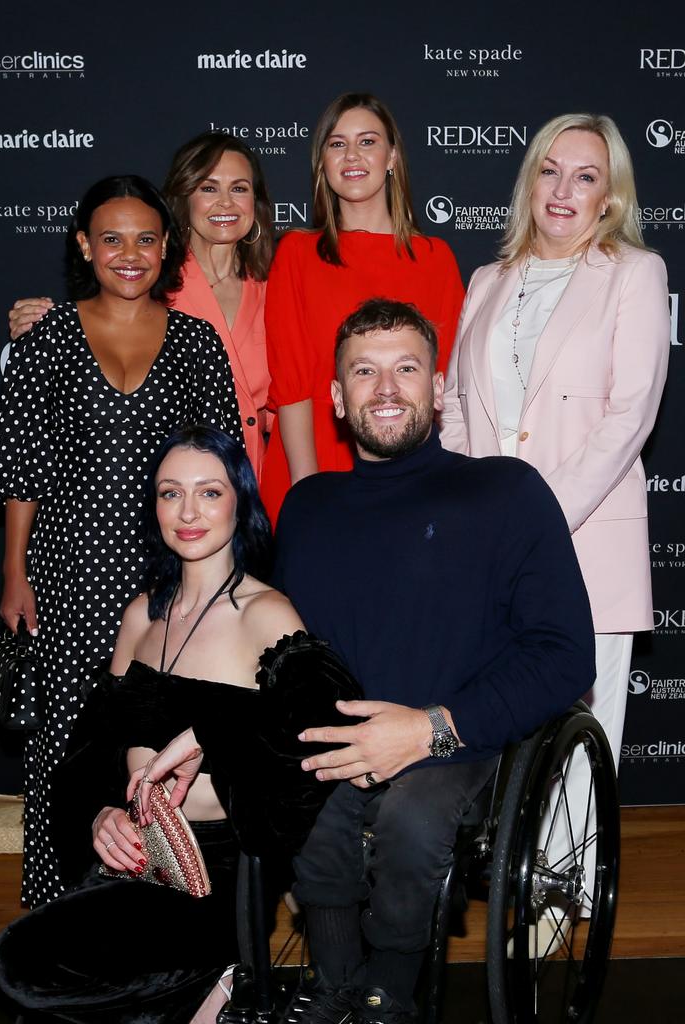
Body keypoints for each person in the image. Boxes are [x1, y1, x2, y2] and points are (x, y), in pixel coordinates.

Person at [272, 298, 595, 1024]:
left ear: (438, 387)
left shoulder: (505, 492)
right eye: (364, 371)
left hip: (461, 740)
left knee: (413, 819)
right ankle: (336, 983)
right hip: (341, 737)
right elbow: (283, 652)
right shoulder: (307, 508)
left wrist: (430, 729)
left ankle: (390, 992)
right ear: (335, 397)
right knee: (304, 799)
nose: (386, 389)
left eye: (406, 368)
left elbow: (565, 652)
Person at [0, 426, 362, 1024]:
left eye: (209, 492)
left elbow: (325, 707)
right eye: (170, 493)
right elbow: (92, 749)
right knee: (37, 981)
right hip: (131, 857)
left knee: (24, 963)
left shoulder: (264, 612)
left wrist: (210, 731)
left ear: (240, 504)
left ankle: (220, 976)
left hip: (215, 876)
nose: (188, 512)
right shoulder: (141, 615)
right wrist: (100, 813)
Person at [0, 176, 243, 908]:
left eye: (147, 238)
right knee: (63, 752)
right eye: (113, 238)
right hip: (65, 579)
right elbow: (21, 467)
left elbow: (224, 469)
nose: (130, 254)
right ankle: (56, 916)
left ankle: (162, 925)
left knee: (153, 752)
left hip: (169, 581)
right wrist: (14, 573)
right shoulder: (48, 339)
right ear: (84, 245)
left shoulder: (196, 342)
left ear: (168, 248)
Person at [440, 113, 670, 913]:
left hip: (584, 536)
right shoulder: (487, 281)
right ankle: (508, 876)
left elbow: (631, 414)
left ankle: (567, 900)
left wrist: (535, 517)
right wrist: (470, 513)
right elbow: (458, 412)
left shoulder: (635, 274)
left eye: (586, 177)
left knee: (587, 724)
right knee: (495, 714)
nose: (564, 190)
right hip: (490, 545)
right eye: (550, 171)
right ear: (530, 180)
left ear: (609, 199)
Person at [7, 132, 275, 479]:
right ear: (184, 196)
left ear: (257, 201)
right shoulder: (145, 281)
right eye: (209, 188)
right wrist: (35, 321)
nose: (226, 203)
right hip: (163, 489)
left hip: (256, 480)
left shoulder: (275, 287)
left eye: (239, 188)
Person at [260, 92, 465, 525]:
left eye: (367, 141)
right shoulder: (297, 254)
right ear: (323, 162)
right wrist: (307, 493)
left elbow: (440, 386)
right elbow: (293, 387)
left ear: (392, 156)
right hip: (311, 465)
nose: (352, 155)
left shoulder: (435, 259)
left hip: (409, 475)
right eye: (337, 144)